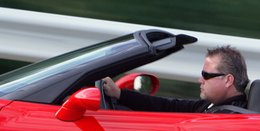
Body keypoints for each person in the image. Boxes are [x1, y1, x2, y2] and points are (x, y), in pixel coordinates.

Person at [101, 45, 248, 112]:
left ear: (228, 80)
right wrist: (119, 94)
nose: (200, 80)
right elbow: (168, 106)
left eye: (206, 75)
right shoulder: (212, 106)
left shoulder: (228, 118)